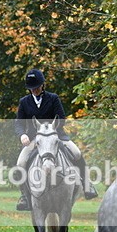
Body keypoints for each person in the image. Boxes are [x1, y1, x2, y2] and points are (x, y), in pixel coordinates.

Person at [14, 69, 97, 211]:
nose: (34, 90)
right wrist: (22, 135)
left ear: (42, 85)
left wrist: (51, 129)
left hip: (55, 135)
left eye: (36, 87)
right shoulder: (24, 102)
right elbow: (19, 123)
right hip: (34, 139)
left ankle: (87, 185)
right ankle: (25, 196)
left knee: (77, 153)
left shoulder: (53, 98)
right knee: (20, 163)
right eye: (32, 88)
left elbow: (61, 117)